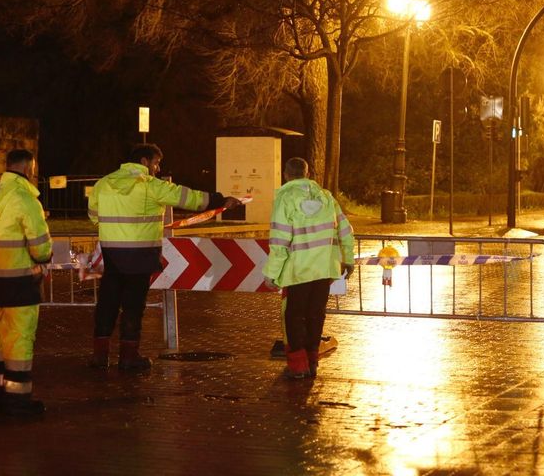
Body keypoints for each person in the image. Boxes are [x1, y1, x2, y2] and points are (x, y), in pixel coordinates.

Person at [88, 143, 240, 371]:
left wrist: (115, 231)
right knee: (133, 306)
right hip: (140, 254)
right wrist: (220, 200)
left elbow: (93, 216)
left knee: (107, 303)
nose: (158, 169)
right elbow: (188, 198)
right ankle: (128, 356)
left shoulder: (103, 184)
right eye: (156, 163)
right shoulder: (150, 185)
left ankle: (100, 356)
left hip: (112, 253)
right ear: (144, 162)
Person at [0, 149, 52, 416]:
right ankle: (17, 400)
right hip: (19, 281)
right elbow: (41, 248)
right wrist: (45, 257)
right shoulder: (25, 200)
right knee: (19, 337)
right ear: (28, 168)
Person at [262, 157, 354, 379]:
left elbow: (280, 241)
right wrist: (348, 259)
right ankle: (312, 361)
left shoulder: (285, 199)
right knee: (315, 315)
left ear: (286, 174)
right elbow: (345, 230)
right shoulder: (326, 197)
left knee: (294, 317)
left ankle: (298, 366)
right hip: (324, 270)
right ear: (308, 173)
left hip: (299, 271)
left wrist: (271, 273)